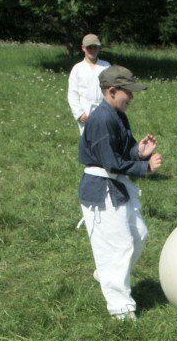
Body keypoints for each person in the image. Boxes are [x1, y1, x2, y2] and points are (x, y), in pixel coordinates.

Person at [78, 65, 162, 320]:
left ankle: (107, 273)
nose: (132, 96)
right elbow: (111, 163)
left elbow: (123, 152)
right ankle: (121, 308)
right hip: (101, 189)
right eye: (128, 92)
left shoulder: (117, 114)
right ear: (112, 91)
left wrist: (139, 151)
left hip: (115, 185)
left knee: (139, 235)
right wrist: (145, 168)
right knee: (119, 246)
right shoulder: (101, 119)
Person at [67, 34, 111, 135]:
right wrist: (79, 114)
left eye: (95, 47)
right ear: (83, 48)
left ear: (99, 48)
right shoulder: (77, 69)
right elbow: (72, 94)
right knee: (88, 140)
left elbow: (112, 91)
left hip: (104, 109)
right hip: (85, 111)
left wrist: (110, 110)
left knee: (105, 138)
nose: (92, 50)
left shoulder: (106, 66)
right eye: (89, 47)